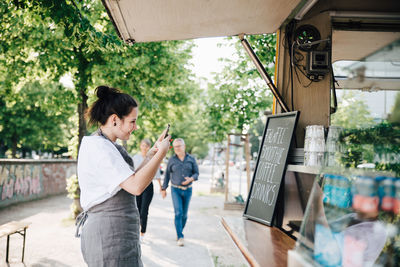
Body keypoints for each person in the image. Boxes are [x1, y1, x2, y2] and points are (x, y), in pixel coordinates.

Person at [75, 85, 171, 267]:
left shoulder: (105, 145)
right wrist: (161, 155)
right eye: (132, 122)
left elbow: (128, 179)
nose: (135, 127)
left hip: (114, 235)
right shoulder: (101, 148)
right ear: (114, 120)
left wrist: (151, 154)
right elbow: (135, 186)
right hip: (109, 237)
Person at [161, 138, 199, 247]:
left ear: (184, 146)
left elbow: (196, 173)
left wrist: (191, 179)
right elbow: (167, 175)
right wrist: (164, 189)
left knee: (184, 215)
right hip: (175, 189)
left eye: (179, 146)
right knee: (178, 213)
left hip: (188, 190)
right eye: (175, 146)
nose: (177, 148)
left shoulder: (191, 159)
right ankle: (180, 236)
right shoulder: (172, 160)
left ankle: (179, 231)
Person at [132, 139, 163, 240]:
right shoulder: (135, 158)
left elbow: (157, 174)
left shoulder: (153, 158)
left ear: (149, 147)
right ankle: (136, 231)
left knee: (144, 211)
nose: (144, 147)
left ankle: (142, 232)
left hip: (148, 186)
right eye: (143, 145)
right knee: (136, 210)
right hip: (137, 185)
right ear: (140, 146)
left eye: (146, 146)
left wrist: (161, 187)